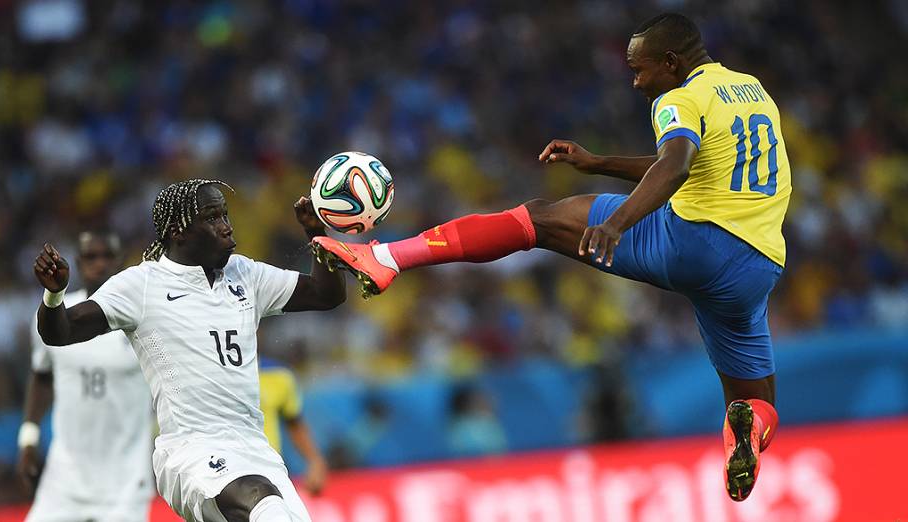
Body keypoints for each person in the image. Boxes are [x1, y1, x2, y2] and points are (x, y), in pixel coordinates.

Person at [312, 13, 788, 502]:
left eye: (640, 69)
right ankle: (747, 434)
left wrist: (618, 222)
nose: (636, 80)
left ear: (671, 61)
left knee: (538, 219)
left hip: (694, 243)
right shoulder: (750, 89)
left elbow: (676, 163)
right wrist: (598, 163)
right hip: (757, 265)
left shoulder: (678, 97)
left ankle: (388, 257)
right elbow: (696, 160)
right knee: (754, 400)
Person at [33, 179, 346, 521]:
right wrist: (54, 295)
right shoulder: (142, 286)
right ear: (177, 232)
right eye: (212, 217)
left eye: (225, 214)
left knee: (273, 508)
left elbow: (326, 293)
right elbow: (60, 331)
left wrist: (319, 234)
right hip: (190, 451)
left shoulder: (245, 274)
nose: (226, 226)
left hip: (256, 451)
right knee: (263, 503)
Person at [19, 231, 155, 522]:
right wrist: (28, 437)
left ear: (121, 261)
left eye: (108, 256)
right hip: (65, 478)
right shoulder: (53, 317)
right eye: (91, 257)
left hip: (126, 480)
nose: (100, 263)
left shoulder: (144, 318)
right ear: (79, 263)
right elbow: (42, 375)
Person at [258, 357, 328, 496]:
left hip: (269, 469)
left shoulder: (278, 374)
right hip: (224, 468)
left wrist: (315, 461)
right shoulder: (213, 372)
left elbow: (294, 423)